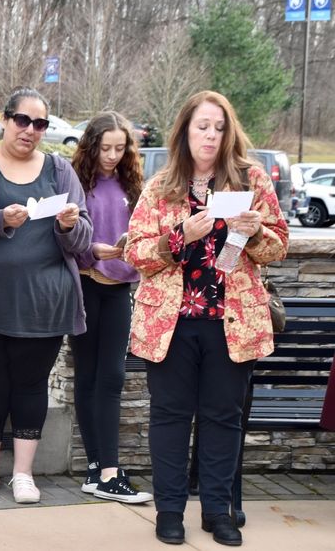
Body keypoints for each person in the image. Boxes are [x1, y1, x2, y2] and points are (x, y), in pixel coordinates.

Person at [125, 90, 288, 546]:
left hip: (231, 322)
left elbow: (278, 245)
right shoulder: (161, 185)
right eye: (202, 126)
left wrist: (256, 233)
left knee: (223, 417)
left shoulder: (252, 179)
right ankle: (170, 512)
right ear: (185, 130)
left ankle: (218, 513)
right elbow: (135, 253)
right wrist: (178, 238)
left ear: (228, 132)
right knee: (170, 417)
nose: (211, 135)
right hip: (172, 323)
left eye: (218, 127)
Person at [0, 88, 92, 504]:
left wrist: (68, 225)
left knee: (31, 386)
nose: (30, 130)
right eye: (22, 120)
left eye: (40, 124)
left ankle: (24, 475)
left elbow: (84, 240)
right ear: (5, 120)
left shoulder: (59, 169)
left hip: (44, 303)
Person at [68, 112, 152, 504]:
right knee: (87, 377)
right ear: (91, 145)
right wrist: (90, 249)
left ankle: (106, 468)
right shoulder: (76, 180)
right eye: (106, 148)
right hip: (84, 285)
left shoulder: (132, 182)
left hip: (119, 286)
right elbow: (63, 236)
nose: (113, 156)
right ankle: (100, 469)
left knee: (112, 376)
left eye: (120, 148)